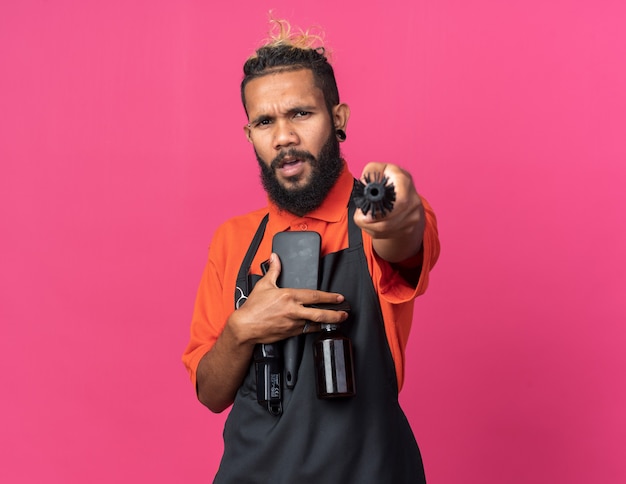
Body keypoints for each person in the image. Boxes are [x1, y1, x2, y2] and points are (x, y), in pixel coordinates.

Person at [182, 19, 440, 483]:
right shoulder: (232, 240)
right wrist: (242, 330)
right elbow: (210, 392)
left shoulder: (375, 219)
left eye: (300, 113)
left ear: (337, 118)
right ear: (250, 136)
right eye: (265, 121)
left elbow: (404, 237)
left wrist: (399, 216)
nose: (283, 136)